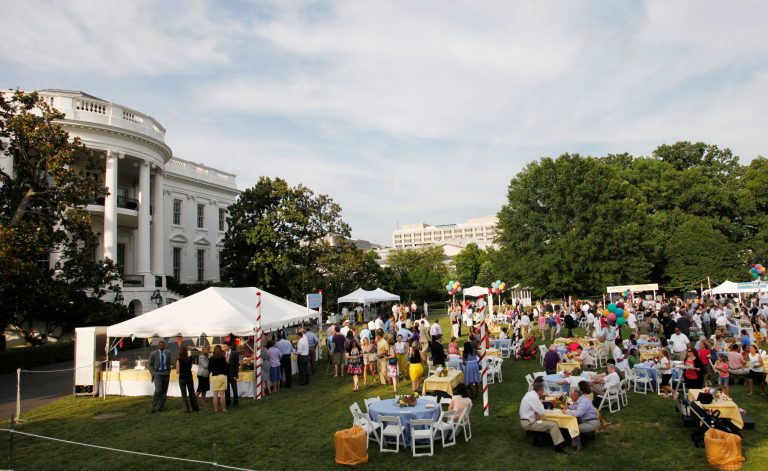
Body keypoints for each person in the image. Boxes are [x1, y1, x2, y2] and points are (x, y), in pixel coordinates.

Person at [519, 382, 566, 453]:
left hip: (527, 419)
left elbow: (538, 410)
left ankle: (537, 441)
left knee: (545, 421)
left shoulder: (529, 393)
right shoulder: (534, 397)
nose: (543, 392)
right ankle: (558, 447)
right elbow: (542, 412)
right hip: (528, 423)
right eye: (543, 390)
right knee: (553, 425)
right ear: (540, 390)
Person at [563, 385, 599, 451]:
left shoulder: (583, 401)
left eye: (571, 395)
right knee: (572, 423)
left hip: (591, 423)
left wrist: (567, 411)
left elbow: (578, 413)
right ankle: (574, 441)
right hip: (587, 420)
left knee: (573, 427)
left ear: (576, 394)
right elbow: (576, 407)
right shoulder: (581, 399)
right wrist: (568, 407)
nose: (570, 396)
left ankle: (578, 446)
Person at [148, 340, 171, 413]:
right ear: (158, 346)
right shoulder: (153, 354)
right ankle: (152, 406)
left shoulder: (168, 353)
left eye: (162, 345)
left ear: (164, 346)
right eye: (159, 345)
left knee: (164, 391)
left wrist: (169, 370)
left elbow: (169, 363)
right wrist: (153, 373)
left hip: (166, 373)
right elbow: (149, 364)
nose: (160, 346)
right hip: (157, 373)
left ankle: (161, 406)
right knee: (158, 390)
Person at [175, 346, 199, 413]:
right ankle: (195, 407)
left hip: (182, 378)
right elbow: (191, 367)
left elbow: (177, 371)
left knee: (184, 394)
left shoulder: (178, 360)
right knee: (192, 393)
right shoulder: (190, 359)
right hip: (189, 377)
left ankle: (186, 409)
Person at [209, 345, 228, 413]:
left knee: (215, 394)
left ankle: (216, 409)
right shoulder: (223, 358)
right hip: (222, 376)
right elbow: (226, 367)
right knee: (222, 394)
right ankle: (223, 409)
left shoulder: (211, 359)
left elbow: (209, 369)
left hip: (215, 377)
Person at [224, 341, 239, 408]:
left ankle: (235, 403)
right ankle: (228, 403)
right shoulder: (223, 353)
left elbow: (236, 365)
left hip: (233, 374)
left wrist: (235, 375)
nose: (224, 347)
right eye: (224, 346)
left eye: (225, 346)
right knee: (227, 390)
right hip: (225, 375)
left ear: (229, 346)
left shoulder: (235, 353)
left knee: (234, 390)